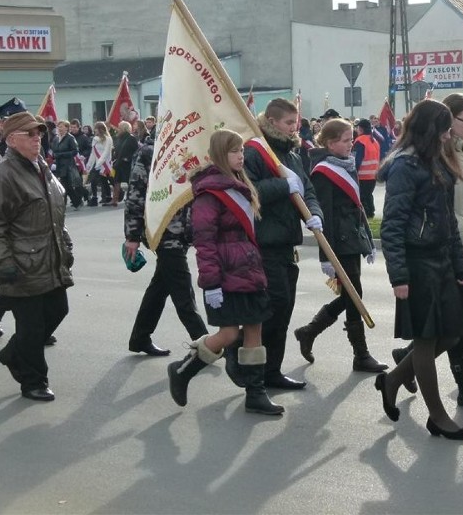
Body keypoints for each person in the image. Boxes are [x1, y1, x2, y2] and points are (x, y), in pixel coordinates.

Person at [392, 93, 463, 410]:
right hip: (445, 252)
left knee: (455, 327)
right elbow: (430, 212)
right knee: (457, 328)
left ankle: (406, 362)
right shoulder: (435, 156)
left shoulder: (462, 153)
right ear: (446, 121)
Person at [168, 129, 283, 415]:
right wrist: (212, 283)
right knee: (230, 334)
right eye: (234, 151)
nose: (240, 156)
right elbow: (204, 242)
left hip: (250, 269)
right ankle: (183, 369)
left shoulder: (240, 185)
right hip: (227, 273)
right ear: (220, 154)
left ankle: (255, 394)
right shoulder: (210, 193)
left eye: (242, 150)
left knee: (255, 328)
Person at [375, 100, 463, 440]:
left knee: (453, 333)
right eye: (446, 130)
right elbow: (393, 226)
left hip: (442, 260)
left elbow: (449, 220)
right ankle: (438, 417)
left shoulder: (436, 160)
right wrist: (399, 276)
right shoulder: (405, 166)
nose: (450, 136)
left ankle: (392, 379)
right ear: (433, 130)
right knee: (427, 340)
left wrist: (459, 265)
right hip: (417, 264)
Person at [0, 111, 74, 400]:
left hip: (51, 258)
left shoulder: (41, 165)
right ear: (12, 139)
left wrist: (66, 245)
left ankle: (11, 353)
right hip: (22, 263)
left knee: (58, 310)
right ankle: (33, 381)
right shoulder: (2, 175)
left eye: (39, 133)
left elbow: (54, 210)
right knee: (31, 328)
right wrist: (4, 263)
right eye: (30, 134)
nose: (37, 138)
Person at [239, 97, 323, 390]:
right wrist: (282, 186)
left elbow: (307, 189)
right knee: (274, 307)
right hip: (264, 243)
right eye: (289, 123)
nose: (294, 127)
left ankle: (272, 371)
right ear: (272, 122)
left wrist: (315, 215)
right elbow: (246, 191)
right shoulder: (255, 152)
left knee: (284, 309)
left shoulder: (293, 154)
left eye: (295, 122)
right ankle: (242, 354)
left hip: (287, 243)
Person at [292, 118, 387, 373]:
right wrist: (326, 256)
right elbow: (326, 218)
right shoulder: (323, 171)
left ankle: (309, 331)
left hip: (352, 241)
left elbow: (356, 208)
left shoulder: (345, 165)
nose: (351, 144)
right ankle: (361, 354)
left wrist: (367, 241)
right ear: (331, 143)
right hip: (339, 244)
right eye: (346, 140)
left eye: (351, 139)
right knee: (354, 297)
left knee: (351, 295)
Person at [123, 140, 208, 357]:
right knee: (183, 291)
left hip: (183, 232)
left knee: (160, 288)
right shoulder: (150, 152)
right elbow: (136, 194)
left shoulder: (192, 145)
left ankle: (140, 337)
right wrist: (132, 235)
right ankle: (207, 344)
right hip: (163, 231)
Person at [51, 120, 84, 209]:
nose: (59, 128)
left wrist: (62, 154)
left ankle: (66, 203)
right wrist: (54, 155)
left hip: (68, 165)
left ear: (66, 128)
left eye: (61, 126)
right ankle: (77, 201)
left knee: (66, 186)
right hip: (59, 165)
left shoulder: (70, 138)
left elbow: (75, 151)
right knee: (65, 186)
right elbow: (53, 149)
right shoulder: (56, 138)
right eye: (58, 127)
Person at [353, 118, 379, 219]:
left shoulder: (360, 141)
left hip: (362, 175)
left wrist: (354, 171)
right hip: (373, 175)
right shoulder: (374, 141)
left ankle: (366, 215)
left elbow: (357, 159)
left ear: (361, 129)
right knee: (369, 195)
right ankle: (371, 213)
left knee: (363, 197)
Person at [85, 121, 113, 206]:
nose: (94, 131)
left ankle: (108, 196)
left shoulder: (108, 139)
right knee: (93, 181)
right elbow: (93, 153)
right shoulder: (95, 139)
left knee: (107, 180)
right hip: (97, 164)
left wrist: (100, 163)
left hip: (106, 164)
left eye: (96, 129)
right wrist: (89, 165)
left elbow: (106, 152)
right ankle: (94, 198)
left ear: (101, 129)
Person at [111, 120, 138, 206]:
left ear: (124, 128)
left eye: (119, 128)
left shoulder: (131, 138)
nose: (118, 129)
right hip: (118, 163)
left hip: (127, 163)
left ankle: (130, 198)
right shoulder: (118, 138)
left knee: (129, 182)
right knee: (116, 181)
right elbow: (116, 150)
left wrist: (128, 158)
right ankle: (115, 199)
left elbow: (136, 151)